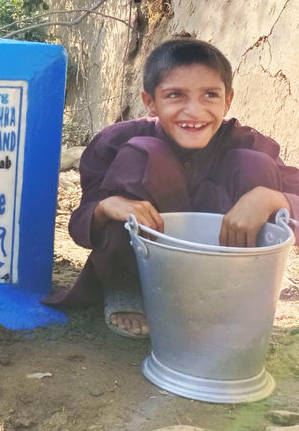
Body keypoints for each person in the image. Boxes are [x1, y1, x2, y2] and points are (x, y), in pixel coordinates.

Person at [51, 37, 299, 339]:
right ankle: (124, 287)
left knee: (255, 166)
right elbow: (80, 228)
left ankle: (226, 296)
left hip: (214, 276)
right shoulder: (114, 141)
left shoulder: (247, 142)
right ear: (150, 102)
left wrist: (271, 198)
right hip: (140, 264)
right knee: (143, 153)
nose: (194, 111)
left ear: (228, 100)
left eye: (210, 95)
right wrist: (106, 207)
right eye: (175, 96)